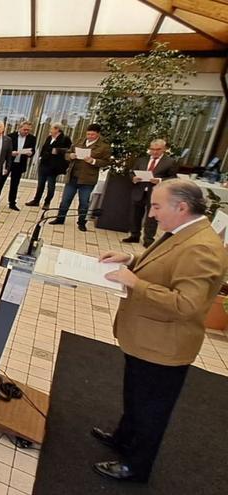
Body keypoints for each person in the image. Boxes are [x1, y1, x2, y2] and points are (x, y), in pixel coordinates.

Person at [93, 179, 228, 483]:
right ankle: (123, 437)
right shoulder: (182, 232)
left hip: (164, 346)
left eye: (156, 206)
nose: (151, 214)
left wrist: (135, 283)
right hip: (145, 339)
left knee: (151, 409)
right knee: (135, 394)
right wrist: (130, 259)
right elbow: (163, 263)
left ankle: (135, 466)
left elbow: (187, 304)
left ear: (182, 207)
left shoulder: (202, 248)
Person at [50, 123, 111, 232]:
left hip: (87, 179)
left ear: (98, 134)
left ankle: (82, 222)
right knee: (65, 199)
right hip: (73, 176)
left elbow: (106, 162)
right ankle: (60, 218)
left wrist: (93, 161)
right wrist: (70, 156)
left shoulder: (104, 147)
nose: (90, 136)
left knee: (84, 202)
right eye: (88, 134)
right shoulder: (79, 141)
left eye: (92, 135)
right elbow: (67, 153)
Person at [124, 139, 179, 247]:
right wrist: (134, 178)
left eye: (158, 149)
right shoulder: (142, 160)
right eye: (152, 149)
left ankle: (148, 239)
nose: (154, 152)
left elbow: (173, 177)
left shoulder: (170, 162)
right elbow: (132, 171)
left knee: (152, 217)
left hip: (156, 193)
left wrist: (159, 180)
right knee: (135, 215)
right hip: (139, 190)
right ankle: (134, 235)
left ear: (164, 149)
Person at [26, 123, 72, 209]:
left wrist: (58, 150)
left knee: (51, 186)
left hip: (54, 166)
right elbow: (44, 148)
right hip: (44, 164)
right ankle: (36, 200)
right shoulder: (49, 137)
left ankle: (47, 202)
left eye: (52, 128)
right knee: (40, 184)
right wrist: (40, 157)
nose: (50, 130)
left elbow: (69, 150)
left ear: (57, 129)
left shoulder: (65, 139)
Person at [5, 121, 37, 211]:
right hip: (8, 163)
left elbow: (33, 150)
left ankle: (12, 203)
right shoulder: (10, 136)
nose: (26, 131)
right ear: (19, 128)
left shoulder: (32, 138)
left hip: (20, 164)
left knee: (15, 184)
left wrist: (30, 153)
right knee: (0, 182)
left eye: (28, 130)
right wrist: (11, 153)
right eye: (24, 129)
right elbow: (4, 150)